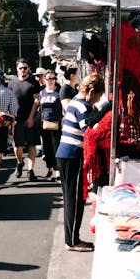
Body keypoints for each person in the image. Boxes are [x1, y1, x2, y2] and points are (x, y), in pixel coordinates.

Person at [55, 72, 105, 251]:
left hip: (66, 154)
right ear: (91, 92)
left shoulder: (75, 101)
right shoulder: (83, 107)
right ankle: (72, 240)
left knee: (72, 198)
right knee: (74, 200)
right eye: (98, 97)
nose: (97, 101)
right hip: (72, 155)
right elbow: (89, 133)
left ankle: (72, 238)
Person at [8, 59, 41, 181]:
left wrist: (31, 118)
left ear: (29, 69)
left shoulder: (33, 83)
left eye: (25, 68)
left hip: (30, 119)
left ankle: (31, 171)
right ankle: (20, 162)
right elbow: (9, 102)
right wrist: (11, 119)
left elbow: (36, 102)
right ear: (17, 69)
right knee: (18, 146)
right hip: (17, 120)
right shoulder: (11, 83)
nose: (23, 70)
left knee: (32, 145)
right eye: (21, 68)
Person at [39, 70, 62, 180]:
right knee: (47, 148)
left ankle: (57, 172)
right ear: (44, 79)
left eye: (53, 78)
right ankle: (50, 169)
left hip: (57, 123)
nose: (51, 81)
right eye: (49, 78)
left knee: (56, 147)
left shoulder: (59, 92)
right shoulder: (41, 92)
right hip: (45, 123)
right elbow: (39, 107)